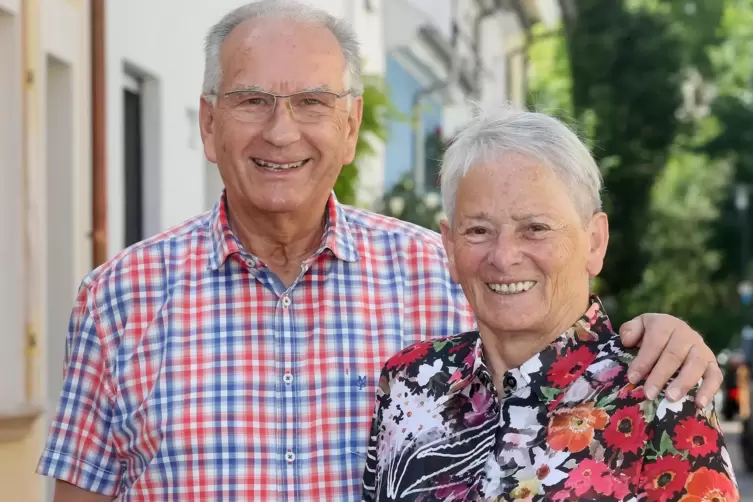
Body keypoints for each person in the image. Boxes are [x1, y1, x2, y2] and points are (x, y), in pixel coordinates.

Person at [37, 2, 723, 501]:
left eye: (311, 101)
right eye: (251, 100)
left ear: (349, 123)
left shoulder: (444, 270)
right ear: (209, 124)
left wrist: (658, 337)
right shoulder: (118, 299)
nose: (281, 132)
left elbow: (553, 318)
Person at [361, 106, 739, 501]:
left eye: (535, 228)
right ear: (451, 247)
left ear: (594, 241)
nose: (504, 256)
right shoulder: (411, 382)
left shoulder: (661, 401)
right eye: (478, 230)